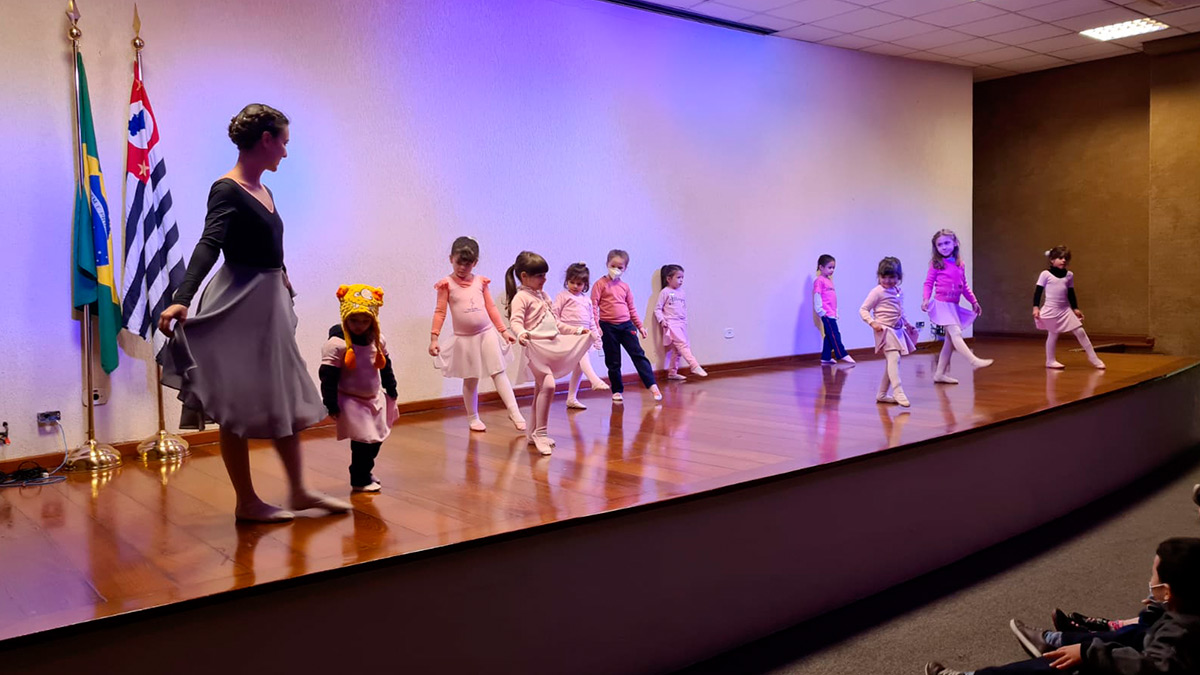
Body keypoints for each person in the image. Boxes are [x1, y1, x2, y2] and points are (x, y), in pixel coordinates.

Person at [159, 104, 350, 522]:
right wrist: (183, 296)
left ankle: (298, 491)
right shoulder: (226, 189)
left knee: (281, 393)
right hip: (238, 304)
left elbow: (269, 247)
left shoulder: (265, 189)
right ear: (266, 140)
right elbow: (210, 243)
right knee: (235, 399)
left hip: (268, 305)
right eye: (283, 142)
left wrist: (283, 277)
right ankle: (247, 502)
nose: (285, 151)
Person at [925, 538, 1200, 674]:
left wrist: (1090, 655)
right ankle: (1060, 640)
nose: (1149, 580)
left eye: (1154, 576)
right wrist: (1158, 606)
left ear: (1168, 590)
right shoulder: (1187, 610)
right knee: (1130, 635)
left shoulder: (1180, 636)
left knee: (1058, 667)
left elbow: (1153, 668)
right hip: (1162, 628)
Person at [429, 236, 526, 432]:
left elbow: (490, 307)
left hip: (486, 333)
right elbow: (440, 311)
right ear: (451, 259)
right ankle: (473, 417)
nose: (462, 268)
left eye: (468, 264)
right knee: (470, 378)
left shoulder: (481, 282)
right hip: (465, 339)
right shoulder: (446, 285)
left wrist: (503, 331)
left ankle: (514, 411)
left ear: (475, 263)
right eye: (459, 263)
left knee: (498, 371)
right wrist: (434, 337)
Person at [505, 251, 592, 455]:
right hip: (535, 349)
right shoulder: (521, 297)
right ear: (524, 276)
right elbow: (516, 321)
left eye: (545, 275)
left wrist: (577, 330)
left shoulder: (543, 296)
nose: (544, 279)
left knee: (540, 391)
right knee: (549, 385)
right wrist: (521, 334)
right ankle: (541, 433)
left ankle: (532, 432)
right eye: (540, 276)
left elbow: (555, 323)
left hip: (550, 348)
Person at [319, 284, 399, 493]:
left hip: (373, 397)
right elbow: (328, 376)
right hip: (351, 400)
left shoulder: (377, 340)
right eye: (354, 320)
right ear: (345, 318)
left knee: (377, 438)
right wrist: (330, 403)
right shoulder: (338, 345)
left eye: (365, 321)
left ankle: (365, 470)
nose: (359, 326)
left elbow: (385, 366)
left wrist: (391, 387)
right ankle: (359, 478)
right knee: (363, 441)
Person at [591, 249, 663, 403]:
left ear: (625, 268)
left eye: (620, 267)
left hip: (626, 326)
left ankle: (652, 385)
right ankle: (617, 390)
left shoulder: (625, 287)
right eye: (613, 266)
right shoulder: (599, 284)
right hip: (608, 327)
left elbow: (631, 308)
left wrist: (640, 326)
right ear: (607, 264)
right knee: (613, 360)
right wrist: (596, 326)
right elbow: (593, 307)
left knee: (638, 354)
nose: (616, 270)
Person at [923, 229, 993, 384]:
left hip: (953, 305)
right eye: (940, 245)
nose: (944, 247)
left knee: (949, 341)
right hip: (942, 304)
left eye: (947, 243)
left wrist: (974, 301)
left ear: (955, 243)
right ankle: (973, 360)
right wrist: (926, 299)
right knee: (955, 333)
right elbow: (928, 283)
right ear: (936, 248)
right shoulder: (936, 264)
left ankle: (939, 374)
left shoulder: (959, 264)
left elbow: (964, 286)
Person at [860, 257, 919, 408]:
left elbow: (900, 310)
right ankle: (898, 391)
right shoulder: (877, 292)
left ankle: (881, 394)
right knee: (894, 358)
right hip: (884, 330)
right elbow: (863, 309)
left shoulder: (898, 291)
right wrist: (872, 322)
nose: (887, 281)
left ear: (899, 277)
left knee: (891, 363)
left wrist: (907, 324)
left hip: (897, 330)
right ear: (878, 277)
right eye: (883, 277)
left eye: (892, 277)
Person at [1033, 246, 1105, 370]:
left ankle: (1093, 358)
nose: (1063, 260)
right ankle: (1050, 360)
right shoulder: (1045, 274)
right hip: (1051, 309)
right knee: (1053, 334)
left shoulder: (1069, 275)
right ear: (1052, 259)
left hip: (1065, 309)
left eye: (1066, 258)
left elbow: (1071, 293)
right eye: (1060, 258)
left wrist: (1075, 308)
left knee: (1080, 331)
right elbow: (1038, 292)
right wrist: (1035, 307)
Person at [551, 262, 610, 410]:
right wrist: (568, 329)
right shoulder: (563, 296)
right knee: (581, 357)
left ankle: (572, 398)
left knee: (579, 366)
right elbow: (554, 317)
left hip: (583, 337)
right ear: (566, 281)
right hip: (568, 335)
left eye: (579, 283)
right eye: (571, 282)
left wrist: (596, 338)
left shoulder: (586, 300)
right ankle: (594, 379)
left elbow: (591, 322)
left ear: (585, 284)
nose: (575, 286)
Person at [654, 264, 708, 381]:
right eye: (678, 277)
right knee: (683, 345)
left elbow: (683, 309)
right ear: (669, 279)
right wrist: (662, 320)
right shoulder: (665, 292)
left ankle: (672, 373)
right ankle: (694, 365)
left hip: (681, 323)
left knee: (677, 350)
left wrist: (685, 322)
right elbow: (657, 309)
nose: (681, 280)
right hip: (671, 324)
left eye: (682, 277)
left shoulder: (681, 292)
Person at [814, 254, 855, 366]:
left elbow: (832, 298)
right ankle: (841, 353)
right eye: (829, 267)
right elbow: (817, 295)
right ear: (821, 267)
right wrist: (820, 310)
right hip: (826, 313)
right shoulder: (819, 281)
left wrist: (835, 311)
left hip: (832, 313)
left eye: (833, 268)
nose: (832, 270)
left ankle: (826, 357)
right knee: (835, 334)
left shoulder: (829, 281)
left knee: (829, 335)